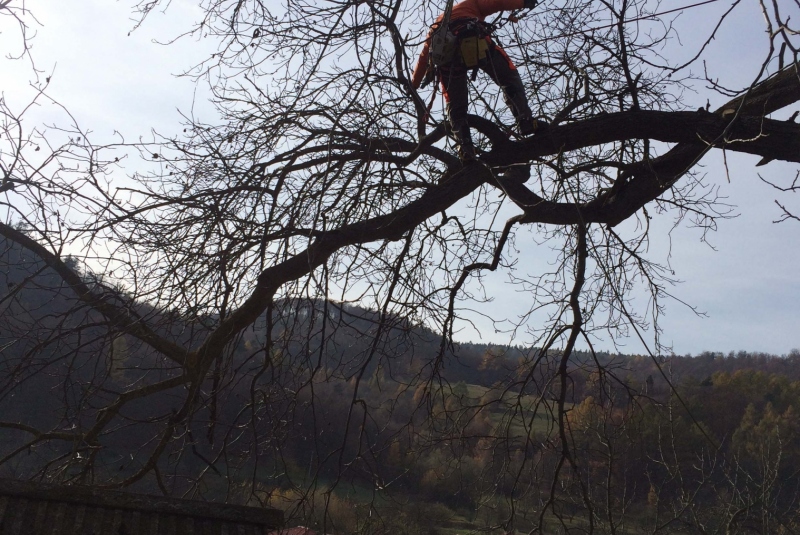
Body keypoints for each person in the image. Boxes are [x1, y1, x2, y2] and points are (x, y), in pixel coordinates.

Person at [412, 0, 541, 161]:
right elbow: (498, 2)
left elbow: (423, 58)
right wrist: (523, 2)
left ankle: (465, 148)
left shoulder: (435, 30)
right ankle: (525, 120)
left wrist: (413, 85)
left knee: (456, 107)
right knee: (508, 77)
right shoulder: (471, 4)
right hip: (475, 42)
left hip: (448, 61)